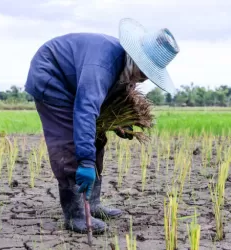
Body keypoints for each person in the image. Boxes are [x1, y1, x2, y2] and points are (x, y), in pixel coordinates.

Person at [24, 18, 179, 234]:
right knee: (68, 143)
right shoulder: (102, 65)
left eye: (149, 75)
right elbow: (86, 109)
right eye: (144, 72)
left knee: (97, 137)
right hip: (52, 75)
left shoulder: (125, 69)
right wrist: (86, 161)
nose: (144, 80)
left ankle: (93, 204)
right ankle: (75, 215)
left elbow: (102, 105)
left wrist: (119, 124)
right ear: (136, 58)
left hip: (75, 79)